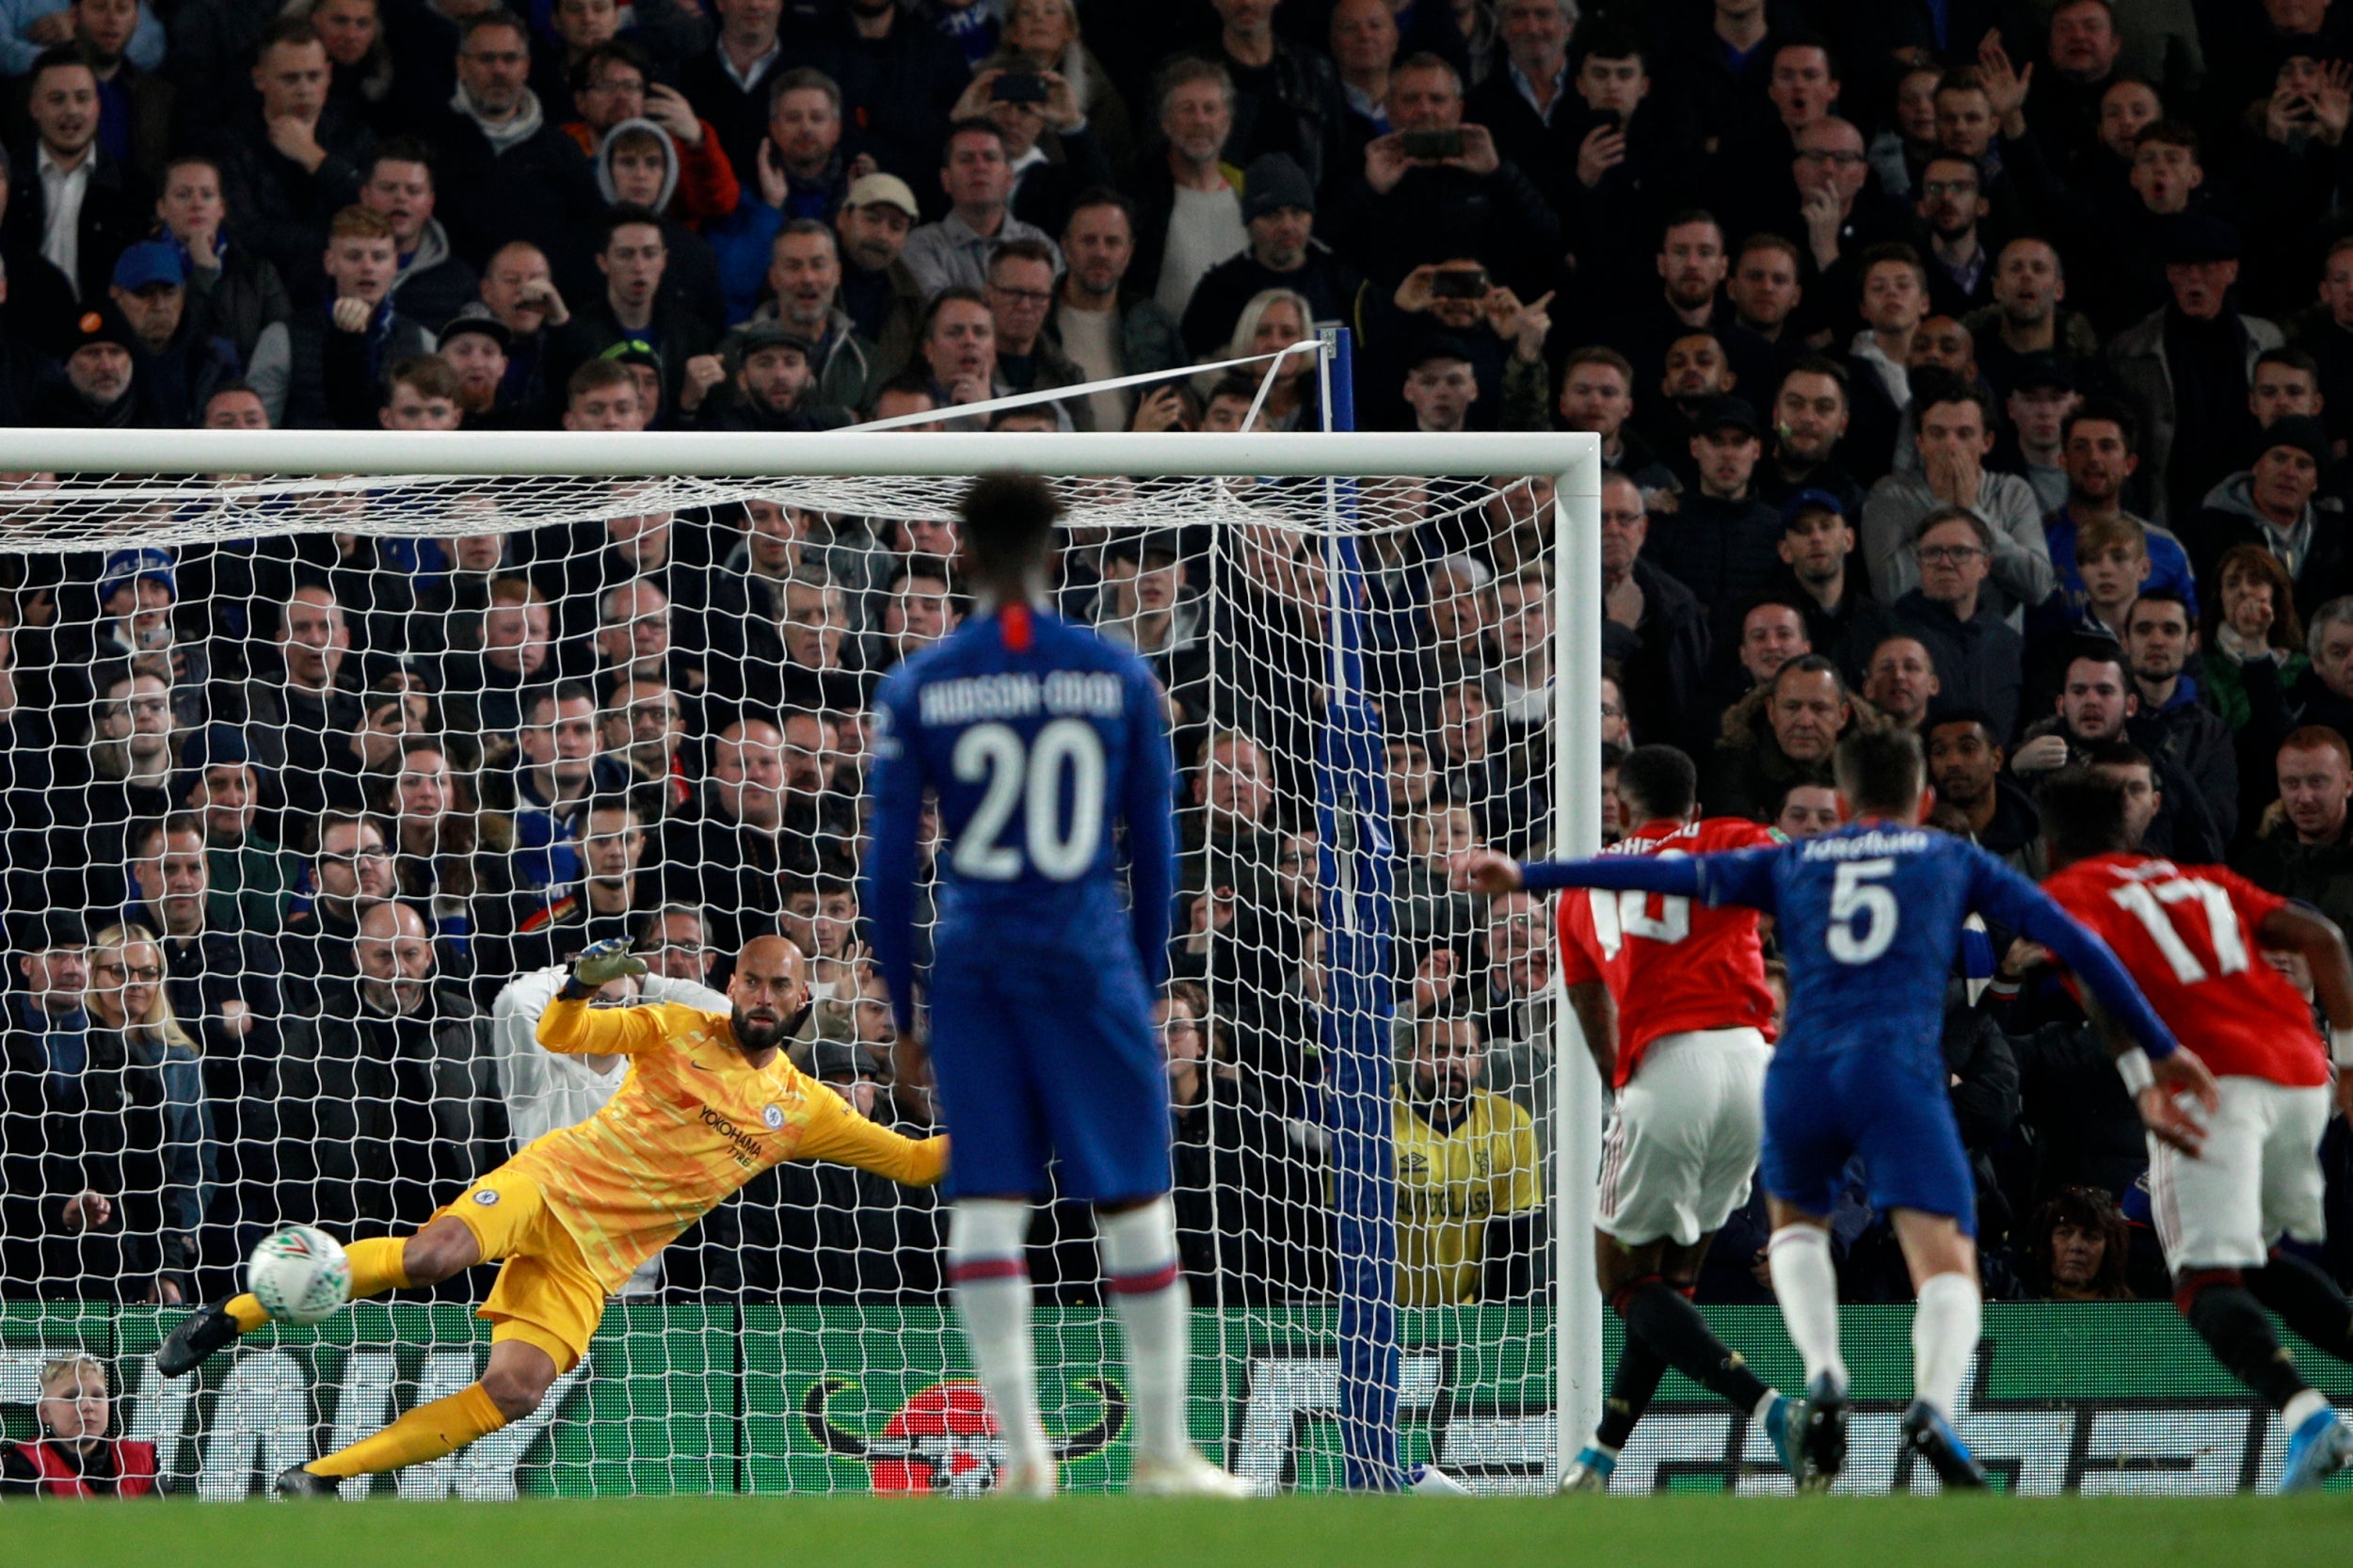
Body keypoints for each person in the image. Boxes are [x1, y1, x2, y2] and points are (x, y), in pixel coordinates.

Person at [1460, 728, 2208, 1490]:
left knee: (1677, 1264)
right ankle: (1918, 1407)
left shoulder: (1776, 860)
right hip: (1824, 1065)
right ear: (1922, 800)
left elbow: (1651, 911)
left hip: (1756, 1069)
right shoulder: (1920, 852)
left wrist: (1529, 872)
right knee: (1923, 1258)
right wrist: (2156, 1043)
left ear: (1843, 806)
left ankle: (1806, 1385)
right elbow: (2076, 939)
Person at [158, 934, 945, 1494]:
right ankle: (229, 1316)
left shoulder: (805, 1110)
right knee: (435, 1256)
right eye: (751, 981)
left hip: (591, 1262)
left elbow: (913, 1161)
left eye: (780, 987)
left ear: (804, 999)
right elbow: (562, 1031)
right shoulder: (673, 1028)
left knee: (517, 1390)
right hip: (549, 1184)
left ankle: (322, 1478)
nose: (764, 998)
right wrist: (575, 983)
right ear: (730, 985)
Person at [862, 472, 1247, 1496]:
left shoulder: (923, 683)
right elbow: (1160, 848)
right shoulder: (1115, 673)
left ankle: (1025, 1453)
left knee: (986, 1202)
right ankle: (1163, 1450)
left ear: (962, 551)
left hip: (978, 960)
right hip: (1088, 958)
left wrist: (905, 1009)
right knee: (1135, 1200)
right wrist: (1149, 978)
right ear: (1055, 545)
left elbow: (889, 866)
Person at [2037, 769, 2353, 1490]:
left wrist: (2146, 1085)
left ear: (2053, 845)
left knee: (2200, 1279)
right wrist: (2351, 1068)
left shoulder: (2068, 894)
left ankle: (2308, 1416)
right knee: (2250, 1261)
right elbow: (2325, 939)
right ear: (2129, 828)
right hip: (2303, 1075)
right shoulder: (2201, 881)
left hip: (2213, 1082)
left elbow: (2101, 984)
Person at [1542, 744, 1803, 1493]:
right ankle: (1599, 1457)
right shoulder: (1729, 836)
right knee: (1671, 1279)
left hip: (1668, 1067)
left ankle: (1769, 1410)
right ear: (1692, 802)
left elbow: (1590, 1001)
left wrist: (1619, 1082)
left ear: (1620, 808)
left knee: (1621, 1276)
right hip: (1754, 1065)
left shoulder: (1581, 883)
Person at [0, 1354, 157, 1497]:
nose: (87, 1406)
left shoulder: (141, 1461)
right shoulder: (24, 1465)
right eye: (71, 1397)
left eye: (97, 1395)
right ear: (45, 1413)